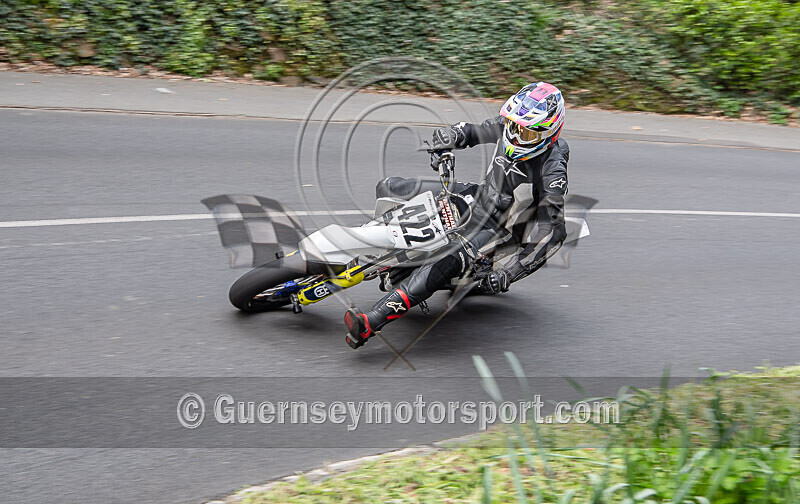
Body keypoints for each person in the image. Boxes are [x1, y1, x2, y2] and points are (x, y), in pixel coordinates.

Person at [344, 82, 570, 349]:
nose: (517, 137)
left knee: (447, 257)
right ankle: (373, 246)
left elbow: (553, 230)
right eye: (514, 127)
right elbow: (469, 131)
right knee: (390, 186)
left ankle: (372, 320)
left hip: (498, 227)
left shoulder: (553, 167)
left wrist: (511, 273)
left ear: (550, 132)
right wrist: (445, 141)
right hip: (477, 197)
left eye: (528, 134)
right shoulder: (511, 125)